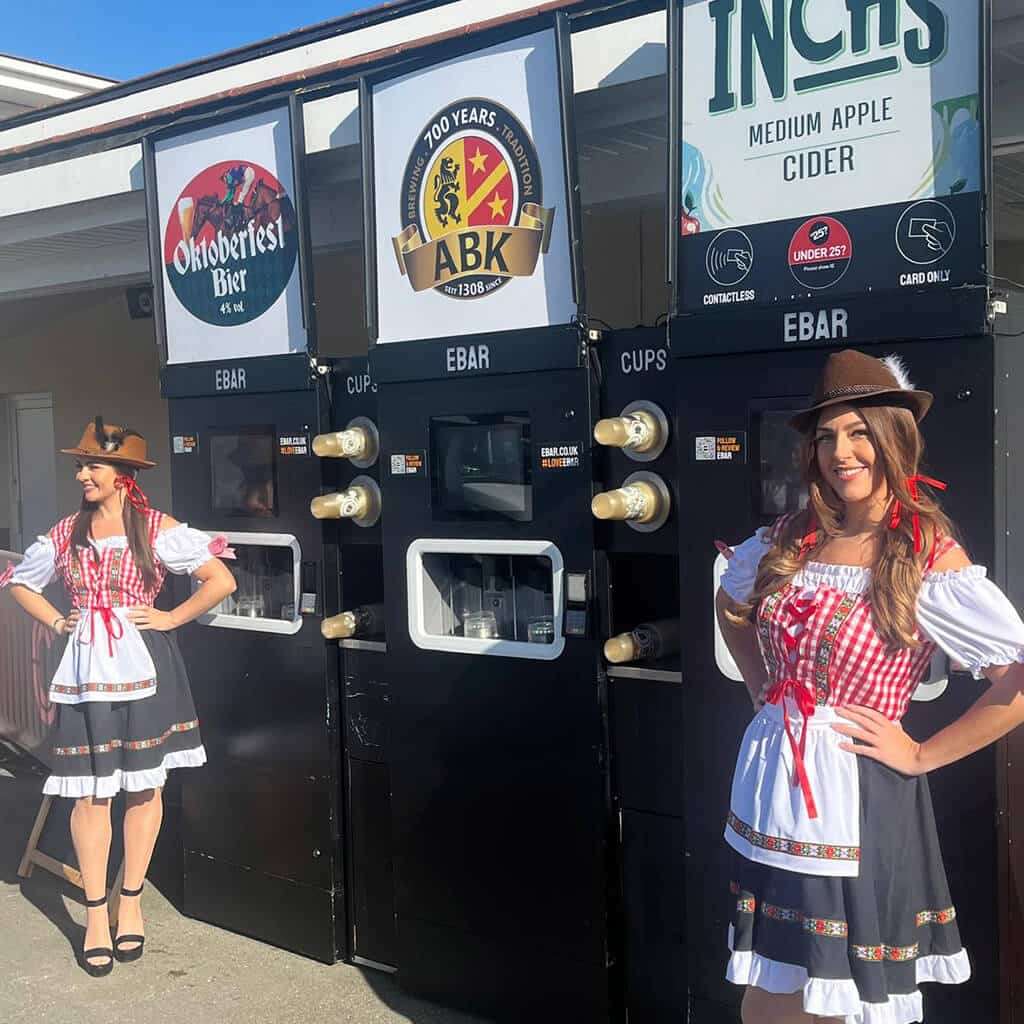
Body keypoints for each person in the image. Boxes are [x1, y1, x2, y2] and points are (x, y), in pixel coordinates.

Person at [714, 350, 1024, 1024]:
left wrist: (920, 754)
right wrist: (763, 685)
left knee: (838, 997)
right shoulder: (793, 537)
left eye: (858, 434)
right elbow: (732, 601)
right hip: (775, 788)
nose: (840, 453)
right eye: (826, 437)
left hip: (855, 797)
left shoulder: (922, 551)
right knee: (771, 989)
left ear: (892, 439)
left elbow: (1016, 681)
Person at [0, 418, 236, 977]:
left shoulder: (155, 528)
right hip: (85, 670)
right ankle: (96, 915)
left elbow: (219, 578)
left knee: (143, 786)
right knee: (91, 793)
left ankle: (131, 900)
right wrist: (60, 622)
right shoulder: (65, 532)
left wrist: (170, 617)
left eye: (92, 466)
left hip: (146, 664)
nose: (82, 474)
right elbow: (20, 584)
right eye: (80, 465)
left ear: (124, 476)